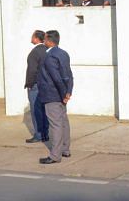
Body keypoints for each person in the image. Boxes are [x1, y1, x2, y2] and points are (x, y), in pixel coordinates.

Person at [38, 30, 73, 164]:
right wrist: (68, 91)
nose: (44, 41)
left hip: (52, 94)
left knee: (56, 124)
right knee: (63, 121)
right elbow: (69, 75)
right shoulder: (63, 53)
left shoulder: (49, 56)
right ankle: (65, 149)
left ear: (49, 41)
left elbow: (57, 78)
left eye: (45, 39)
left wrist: (64, 94)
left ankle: (55, 155)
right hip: (61, 93)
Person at [25, 30, 49, 143]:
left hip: (35, 84)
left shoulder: (34, 52)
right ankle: (45, 134)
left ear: (36, 38)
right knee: (44, 110)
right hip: (45, 84)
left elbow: (32, 70)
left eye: (32, 36)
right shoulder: (47, 50)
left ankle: (39, 134)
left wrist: (29, 84)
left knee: (36, 110)